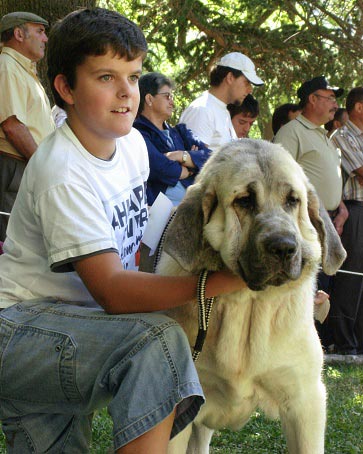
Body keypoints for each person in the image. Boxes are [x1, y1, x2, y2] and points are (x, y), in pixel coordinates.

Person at [0, 8, 246, 453]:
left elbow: (152, 237)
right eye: (105, 77)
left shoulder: (131, 144)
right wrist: (224, 282)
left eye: (132, 77)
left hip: (77, 327)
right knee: (157, 341)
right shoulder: (63, 170)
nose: (126, 93)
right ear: (65, 88)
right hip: (22, 330)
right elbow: (113, 290)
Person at [273, 75, 349, 348]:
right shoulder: (292, 132)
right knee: (302, 284)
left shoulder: (323, 135)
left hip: (326, 221)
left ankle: (309, 343)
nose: (335, 104)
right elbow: (278, 181)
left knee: (322, 287)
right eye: (329, 98)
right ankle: (290, 344)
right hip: (302, 223)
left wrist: (339, 209)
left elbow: (329, 179)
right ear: (312, 99)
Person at [0, 11, 55, 241]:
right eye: (40, 31)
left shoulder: (21, 69)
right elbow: (12, 126)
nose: (45, 39)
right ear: (19, 33)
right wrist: (42, 165)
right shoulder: (6, 66)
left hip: (24, 164)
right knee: (13, 242)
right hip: (15, 166)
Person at [134, 72, 212, 206]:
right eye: (167, 96)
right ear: (149, 99)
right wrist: (191, 167)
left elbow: (210, 157)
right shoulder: (137, 134)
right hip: (161, 217)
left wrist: (181, 156)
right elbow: (161, 168)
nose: (172, 102)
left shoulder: (180, 132)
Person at [328, 87, 363, 355]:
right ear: (359, 108)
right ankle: (344, 342)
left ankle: (359, 342)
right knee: (351, 276)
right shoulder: (343, 136)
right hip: (354, 210)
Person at [179, 52, 264, 150]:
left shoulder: (221, 109)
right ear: (230, 77)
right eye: (247, 83)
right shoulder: (202, 110)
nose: (250, 90)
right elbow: (193, 159)